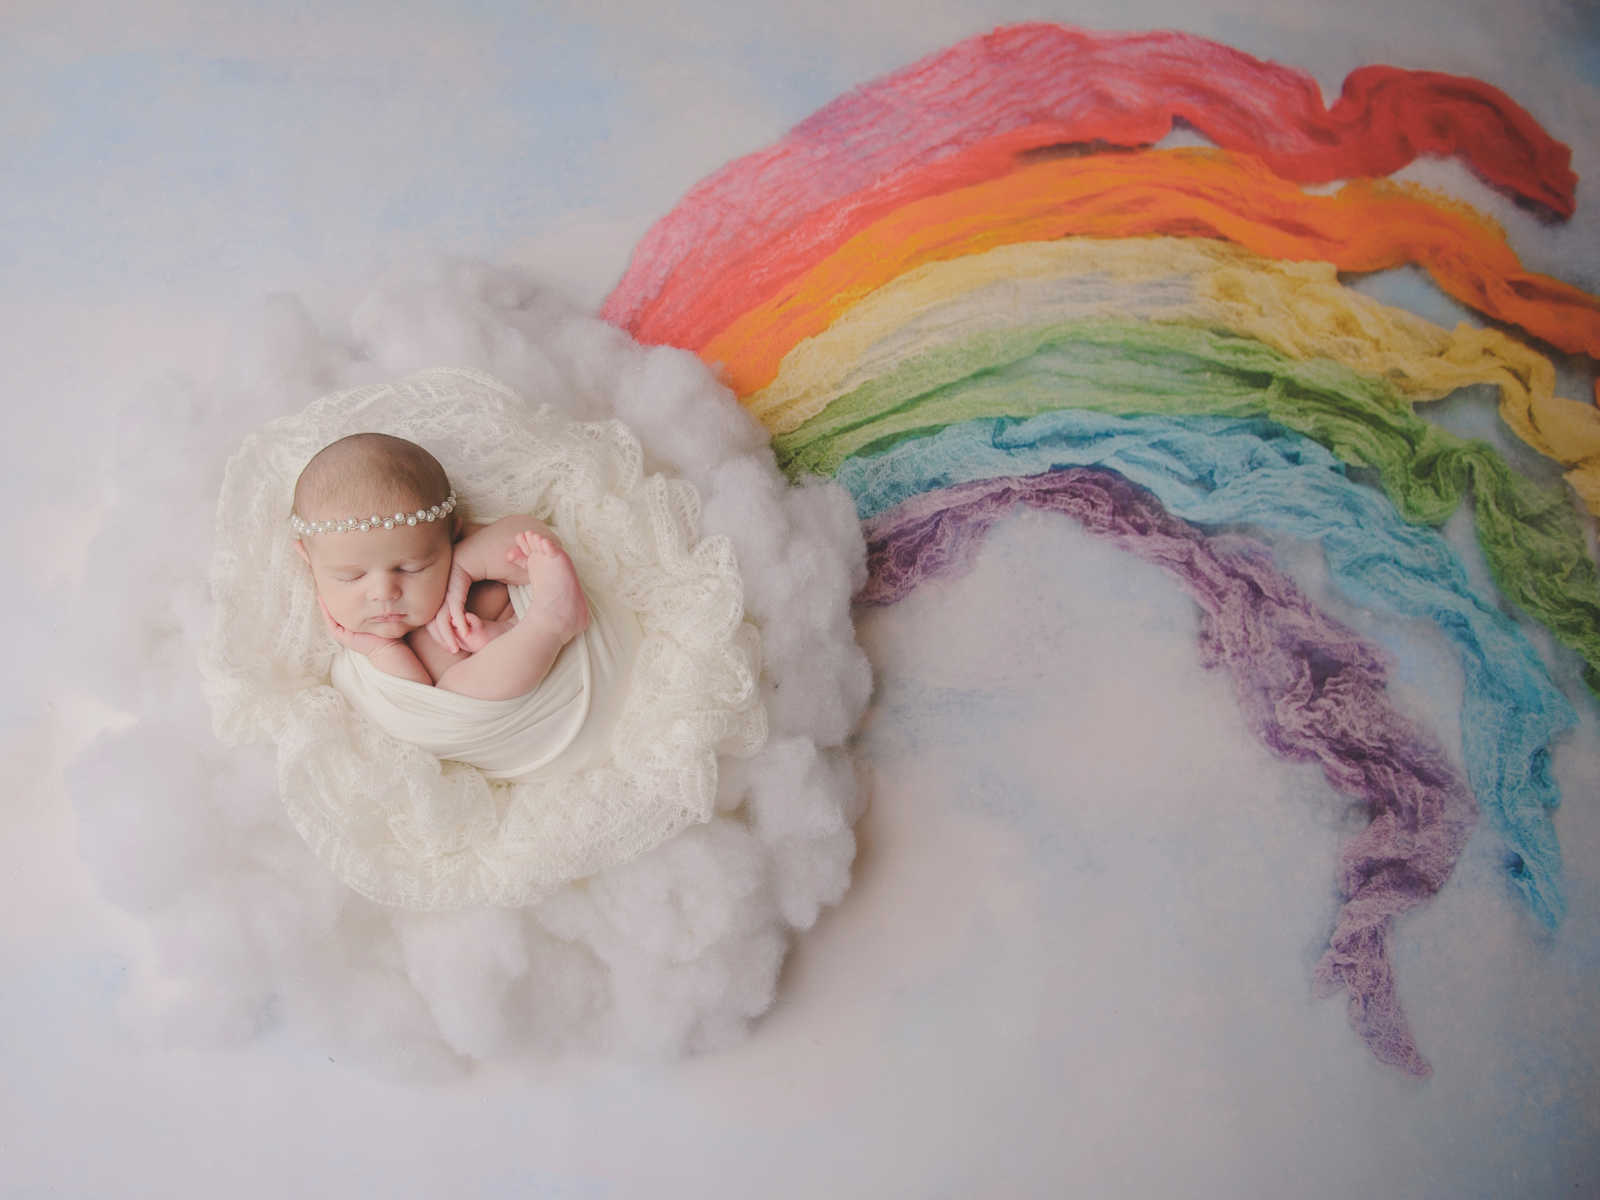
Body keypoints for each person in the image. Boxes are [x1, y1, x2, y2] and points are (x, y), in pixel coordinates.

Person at [291, 432, 590, 702]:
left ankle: (552, 618)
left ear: (450, 537)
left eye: (412, 568)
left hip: (577, 665)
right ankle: (548, 625)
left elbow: (531, 541)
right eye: (351, 576)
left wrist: (463, 569)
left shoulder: (462, 559)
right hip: (520, 719)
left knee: (541, 559)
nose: (384, 592)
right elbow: (419, 708)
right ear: (308, 559)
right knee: (458, 690)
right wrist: (381, 650)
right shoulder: (364, 652)